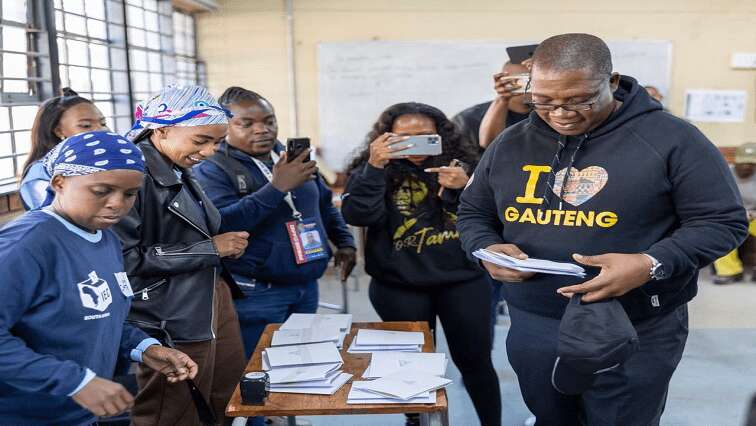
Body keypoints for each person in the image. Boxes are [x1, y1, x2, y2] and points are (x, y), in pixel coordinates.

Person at [457, 33, 748, 426]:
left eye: (579, 99)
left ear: (612, 82)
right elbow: (473, 211)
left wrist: (651, 263)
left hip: (635, 324)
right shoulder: (511, 143)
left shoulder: (673, 139)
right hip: (535, 320)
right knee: (550, 416)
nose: (560, 113)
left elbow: (723, 221)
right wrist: (486, 247)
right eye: (543, 101)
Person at [0, 131, 198, 425]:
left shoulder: (105, 238)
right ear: (59, 183)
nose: (117, 204)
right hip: (25, 414)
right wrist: (76, 382)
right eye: (101, 190)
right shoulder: (28, 244)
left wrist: (145, 348)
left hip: (79, 413)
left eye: (130, 194)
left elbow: (101, 314)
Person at [341, 102, 501, 426]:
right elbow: (358, 214)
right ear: (386, 138)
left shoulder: (465, 166)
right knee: (409, 367)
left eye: (425, 136)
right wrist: (374, 166)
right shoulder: (373, 168)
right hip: (399, 285)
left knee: (475, 362)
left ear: (441, 136)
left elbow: (493, 218)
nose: (414, 144)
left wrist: (464, 186)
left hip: (463, 282)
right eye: (405, 137)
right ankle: (415, 420)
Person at [113, 85, 249, 426]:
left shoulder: (175, 167)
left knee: (223, 395)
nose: (209, 151)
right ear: (162, 129)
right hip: (170, 311)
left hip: (205, 297)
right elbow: (125, 261)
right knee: (171, 411)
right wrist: (210, 249)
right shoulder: (135, 175)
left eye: (216, 142)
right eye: (201, 140)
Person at [194, 86, 356, 360]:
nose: (262, 130)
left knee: (301, 364)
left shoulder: (292, 157)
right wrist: (277, 187)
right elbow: (222, 223)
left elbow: (324, 204)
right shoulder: (212, 168)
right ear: (225, 127)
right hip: (258, 291)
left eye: (269, 121)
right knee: (258, 368)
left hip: (306, 284)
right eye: (247, 123)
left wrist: (345, 242)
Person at [19, 88, 108, 210]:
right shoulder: (40, 174)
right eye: (86, 125)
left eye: (103, 123)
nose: (102, 130)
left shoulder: (103, 160)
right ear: (58, 131)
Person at [713, 142, 756, 284]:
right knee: (721, 231)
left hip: (753, 217)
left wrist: (753, 213)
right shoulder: (724, 174)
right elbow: (714, 201)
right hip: (729, 216)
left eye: (751, 163)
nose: (747, 166)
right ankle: (729, 271)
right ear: (736, 160)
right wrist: (737, 214)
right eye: (743, 162)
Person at [475, 60, 532, 150]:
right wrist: (502, 98)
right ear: (503, 80)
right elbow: (490, 144)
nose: (528, 85)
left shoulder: (547, 110)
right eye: (518, 80)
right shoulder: (471, 118)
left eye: (533, 79)